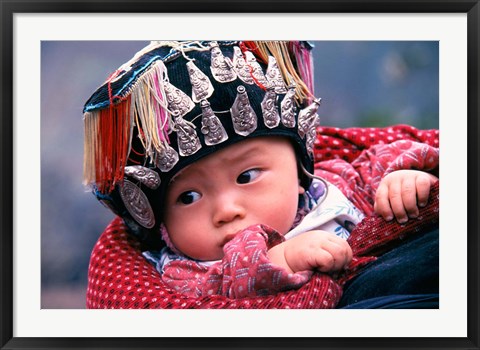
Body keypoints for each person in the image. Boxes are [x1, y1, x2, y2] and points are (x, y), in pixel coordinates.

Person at [83, 40, 439, 308]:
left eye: (247, 176)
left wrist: (404, 177)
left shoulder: (334, 184)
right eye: (188, 197)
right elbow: (213, 293)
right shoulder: (183, 272)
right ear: (162, 227)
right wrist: (277, 261)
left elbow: (378, 160)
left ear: (300, 170)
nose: (226, 210)